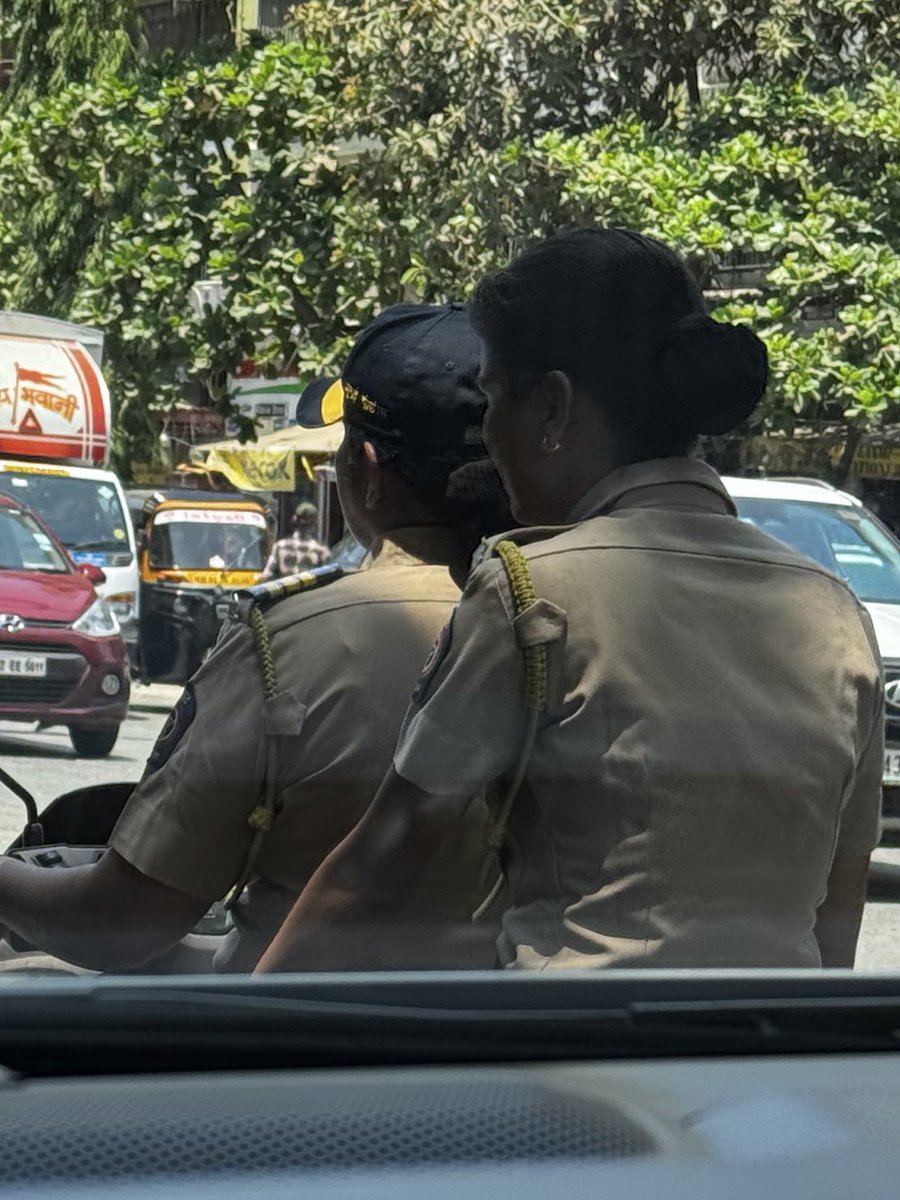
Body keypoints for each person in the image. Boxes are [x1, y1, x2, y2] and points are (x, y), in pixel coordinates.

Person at [258, 228, 883, 975]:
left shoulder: (530, 590)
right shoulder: (834, 609)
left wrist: (242, 1039)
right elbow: (838, 912)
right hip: (759, 1063)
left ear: (551, 409)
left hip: (566, 1059)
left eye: (491, 398)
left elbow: (378, 869)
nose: (486, 439)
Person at [0, 303, 511, 973]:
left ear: (365, 468)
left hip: (288, 1034)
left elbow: (119, 923)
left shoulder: (289, 641)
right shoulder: (569, 617)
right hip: (510, 1022)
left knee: (28, 976)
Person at [261, 502, 330, 578]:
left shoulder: (280, 546)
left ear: (294, 520)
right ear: (315, 523)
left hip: (289, 588)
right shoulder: (321, 551)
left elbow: (266, 575)